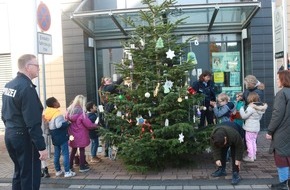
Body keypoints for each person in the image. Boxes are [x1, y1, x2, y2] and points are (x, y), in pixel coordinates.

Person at [1, 54, 48, 190]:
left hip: (10, 134)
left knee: (19, 173)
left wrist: (11, 129)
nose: (39, 68)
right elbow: (32, 122)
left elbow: (4, 113)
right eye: (37, 65)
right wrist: (41, 147)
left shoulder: (9, 85)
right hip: (24, 137)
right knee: (31, 176)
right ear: (28, 67)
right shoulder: (26, 88)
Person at [266, 70, 290, 189]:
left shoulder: (282, 93)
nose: (276, 80)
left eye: (278, 78)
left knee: (281, 158)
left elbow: (277, 114)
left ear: (283, 79)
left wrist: (270, 131)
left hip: (282, 131)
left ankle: (283, 183)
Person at [43, 97, 76, 178]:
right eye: (57, 101)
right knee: (65, 154)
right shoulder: (57, 113)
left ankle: (58, 170)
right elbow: (59, 125)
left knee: (57, 154)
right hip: (61, 135)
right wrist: (67, 123)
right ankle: (67, 172)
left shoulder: (47, 112)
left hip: (54, 136)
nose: (58, 102)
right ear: (54, 104)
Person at [66, 95, 99, 172]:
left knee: (73, 149)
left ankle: (70, 165)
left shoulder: (69, 111)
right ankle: (82, 166)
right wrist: (96, 125)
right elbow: (89, 125)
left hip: (72, 134)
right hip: (81, 134)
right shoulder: (81, 113)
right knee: (81, 149)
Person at [239, 92, 267, 162]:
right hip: (256, 127)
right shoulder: (261, 108)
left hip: (249, 127)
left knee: (249, 141)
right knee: (253, 141)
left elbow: (244, 116)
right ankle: (253, 155)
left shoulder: (251, 107)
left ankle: (250, 156)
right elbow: (259, 118)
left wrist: (241, 109)